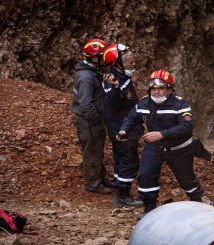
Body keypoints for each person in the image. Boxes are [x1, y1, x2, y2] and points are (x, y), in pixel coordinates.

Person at [117, 69, 204, 219]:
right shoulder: (144, 103)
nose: (156, 92)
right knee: (146, 174)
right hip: (155, 147)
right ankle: (149, 208)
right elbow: (131, 117)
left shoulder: (180, 104)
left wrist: (162, 134)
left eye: (161, 88)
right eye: (154, 89)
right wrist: (123, 130)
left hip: (179, 148)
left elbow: (186, 126)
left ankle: (198, 204)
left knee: (186, 179)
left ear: (169, 89)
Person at [102, 43, 144, 207]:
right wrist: (116, 88)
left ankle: (124, 191)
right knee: (125, 161)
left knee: (129, 160)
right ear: (117, 63)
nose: (133, 65)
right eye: (129, 63)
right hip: (121, 130)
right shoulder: (111, 80)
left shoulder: (123, 77)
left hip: (128, 127)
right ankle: (122, 196)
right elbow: (112, 103)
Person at [71, 38, 113, 195]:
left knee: (96, 150)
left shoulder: (91, 72)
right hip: (89, 120)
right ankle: (93, 184)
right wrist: (96, 122)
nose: (104, 58)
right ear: (92, 57)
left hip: (91, 119)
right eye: (101, 55)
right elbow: (86, 104)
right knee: (92, 151)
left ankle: (100, 178)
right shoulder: (87, 77)